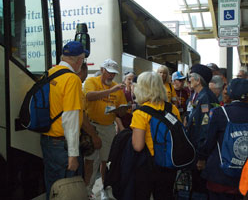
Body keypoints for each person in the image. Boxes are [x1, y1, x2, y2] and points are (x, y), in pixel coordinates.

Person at [40, 41, 87, 200]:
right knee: (68, 190)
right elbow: (70, 119)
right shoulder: (71, 79)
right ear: (79, 60)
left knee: (53, 188)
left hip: (48, 142)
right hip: (63, 147)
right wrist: (73, 155)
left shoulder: (49, 73)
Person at [130, 71, 181, 200]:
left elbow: (138, 146)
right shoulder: (172, 109)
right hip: (170, 161)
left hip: (149, 164)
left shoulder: (140, 113)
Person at [197, 78, 248, 200]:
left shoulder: (220, 113)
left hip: (220, 175)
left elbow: (209, 142)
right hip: (244, 177)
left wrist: (201, 157)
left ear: (230, 92)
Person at [83, 58, 127, 200]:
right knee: (90, 160)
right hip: (92, 126)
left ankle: (105, 187)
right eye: (109, 72)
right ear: (102, 70)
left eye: (113, 73)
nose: (111, 76)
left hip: (108, 127)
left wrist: (121, 111)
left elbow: (121, 110)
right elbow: (89, 96)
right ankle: (87, 190)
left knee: (106, 160)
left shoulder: (118, 89)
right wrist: (111, 90)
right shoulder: (92, 82)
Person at [186, 64, 219, 199]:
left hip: (201, 152)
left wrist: (201, 156)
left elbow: (206, 127)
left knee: (201, 187)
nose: (188, 81)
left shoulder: (205, 98)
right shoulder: (198, 95)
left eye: (190, 78)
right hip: (196, 149)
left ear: (198, 80)